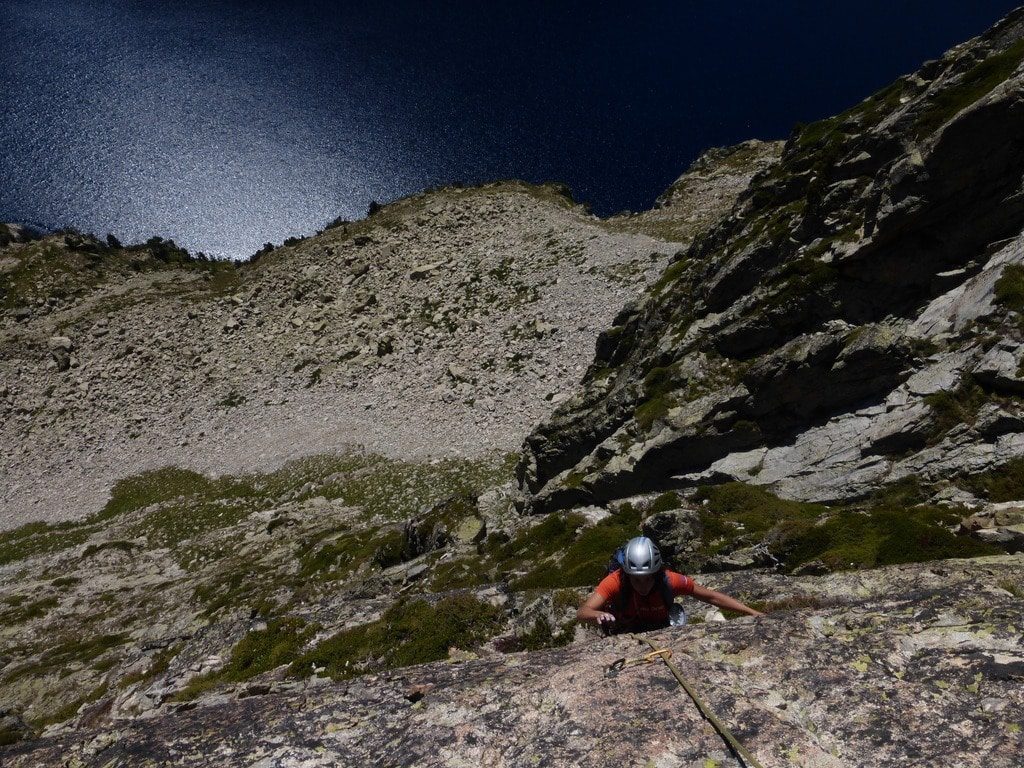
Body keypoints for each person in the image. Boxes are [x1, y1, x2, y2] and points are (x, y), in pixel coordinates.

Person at [577, 536, 763, 633]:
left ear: (657, 572)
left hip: (660, 623)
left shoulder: (670, 580)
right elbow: (583, 612)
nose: (643, 585)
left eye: (648, 578)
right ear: (626, 574)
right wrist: (598, 614)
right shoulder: (615, 581)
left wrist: (752, 613)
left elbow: (712, 596)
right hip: (626, 627)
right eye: (636, 579)